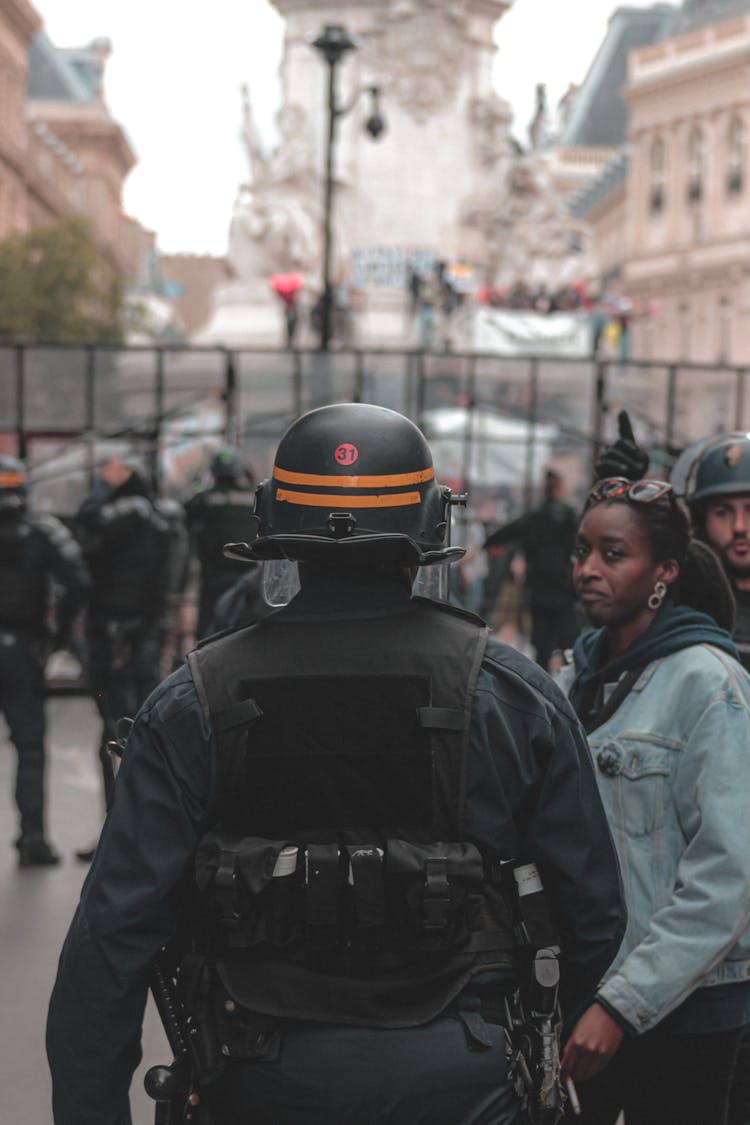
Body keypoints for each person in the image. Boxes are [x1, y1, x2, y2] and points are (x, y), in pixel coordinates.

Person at [47, 402, 626, 1125]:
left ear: (273, 522)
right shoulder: (511, 694)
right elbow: (594, 916)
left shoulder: (194, 699)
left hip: (252, 1078)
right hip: (465, 1081)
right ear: (431, 524)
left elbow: (110, 939)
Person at [557, 476, 750, 1125]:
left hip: (686, 1009)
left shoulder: (708, 683)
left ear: (664, 571)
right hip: (585, 995)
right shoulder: (573, 681)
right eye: (582, 551)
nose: (588, 569)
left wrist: (623, 1005)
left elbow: (727, 875)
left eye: (613, 554)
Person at [73, 456, 172, 861]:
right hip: (145, 636)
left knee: (115, 734)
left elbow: (87, 520)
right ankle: (146, 831)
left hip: (115, 636)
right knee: (145, 730)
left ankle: (118, 832)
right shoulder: (162, 519)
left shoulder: (121, 514)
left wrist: (102, 486)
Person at [0, 456, 90, 866]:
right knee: (31, 747)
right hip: (24, 649)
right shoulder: (43, 532)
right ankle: (33, 837)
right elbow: (78, 580)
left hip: (24, 645)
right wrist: (58, 636)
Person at [481, 470, 579, 671]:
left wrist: (486, 539)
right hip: (563, 589)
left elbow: (499, 536)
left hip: (538, 590)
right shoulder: (571, 518)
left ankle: (544, 687)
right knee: (569, 645)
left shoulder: (532, 518)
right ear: (560, 489)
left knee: (542, 647)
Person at [185, 446, 256, 640]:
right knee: (246, 629)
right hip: (250, 575)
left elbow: (186, 516)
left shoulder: (204, 500)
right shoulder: (254, 499)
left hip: (214, 575)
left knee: (210, 632)